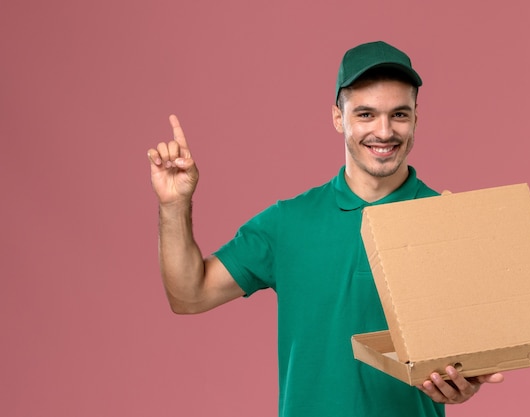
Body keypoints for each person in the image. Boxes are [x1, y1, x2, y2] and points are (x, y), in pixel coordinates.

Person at [147, 40, 504, 416]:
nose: (384, 132)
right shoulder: (289, 222)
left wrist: (461, 384)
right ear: (338, 117)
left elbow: (469, 359)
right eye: (365, 114)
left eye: (399, 114)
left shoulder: (446, 220)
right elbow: (189, 295)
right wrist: (174, 206)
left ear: (417, 117)